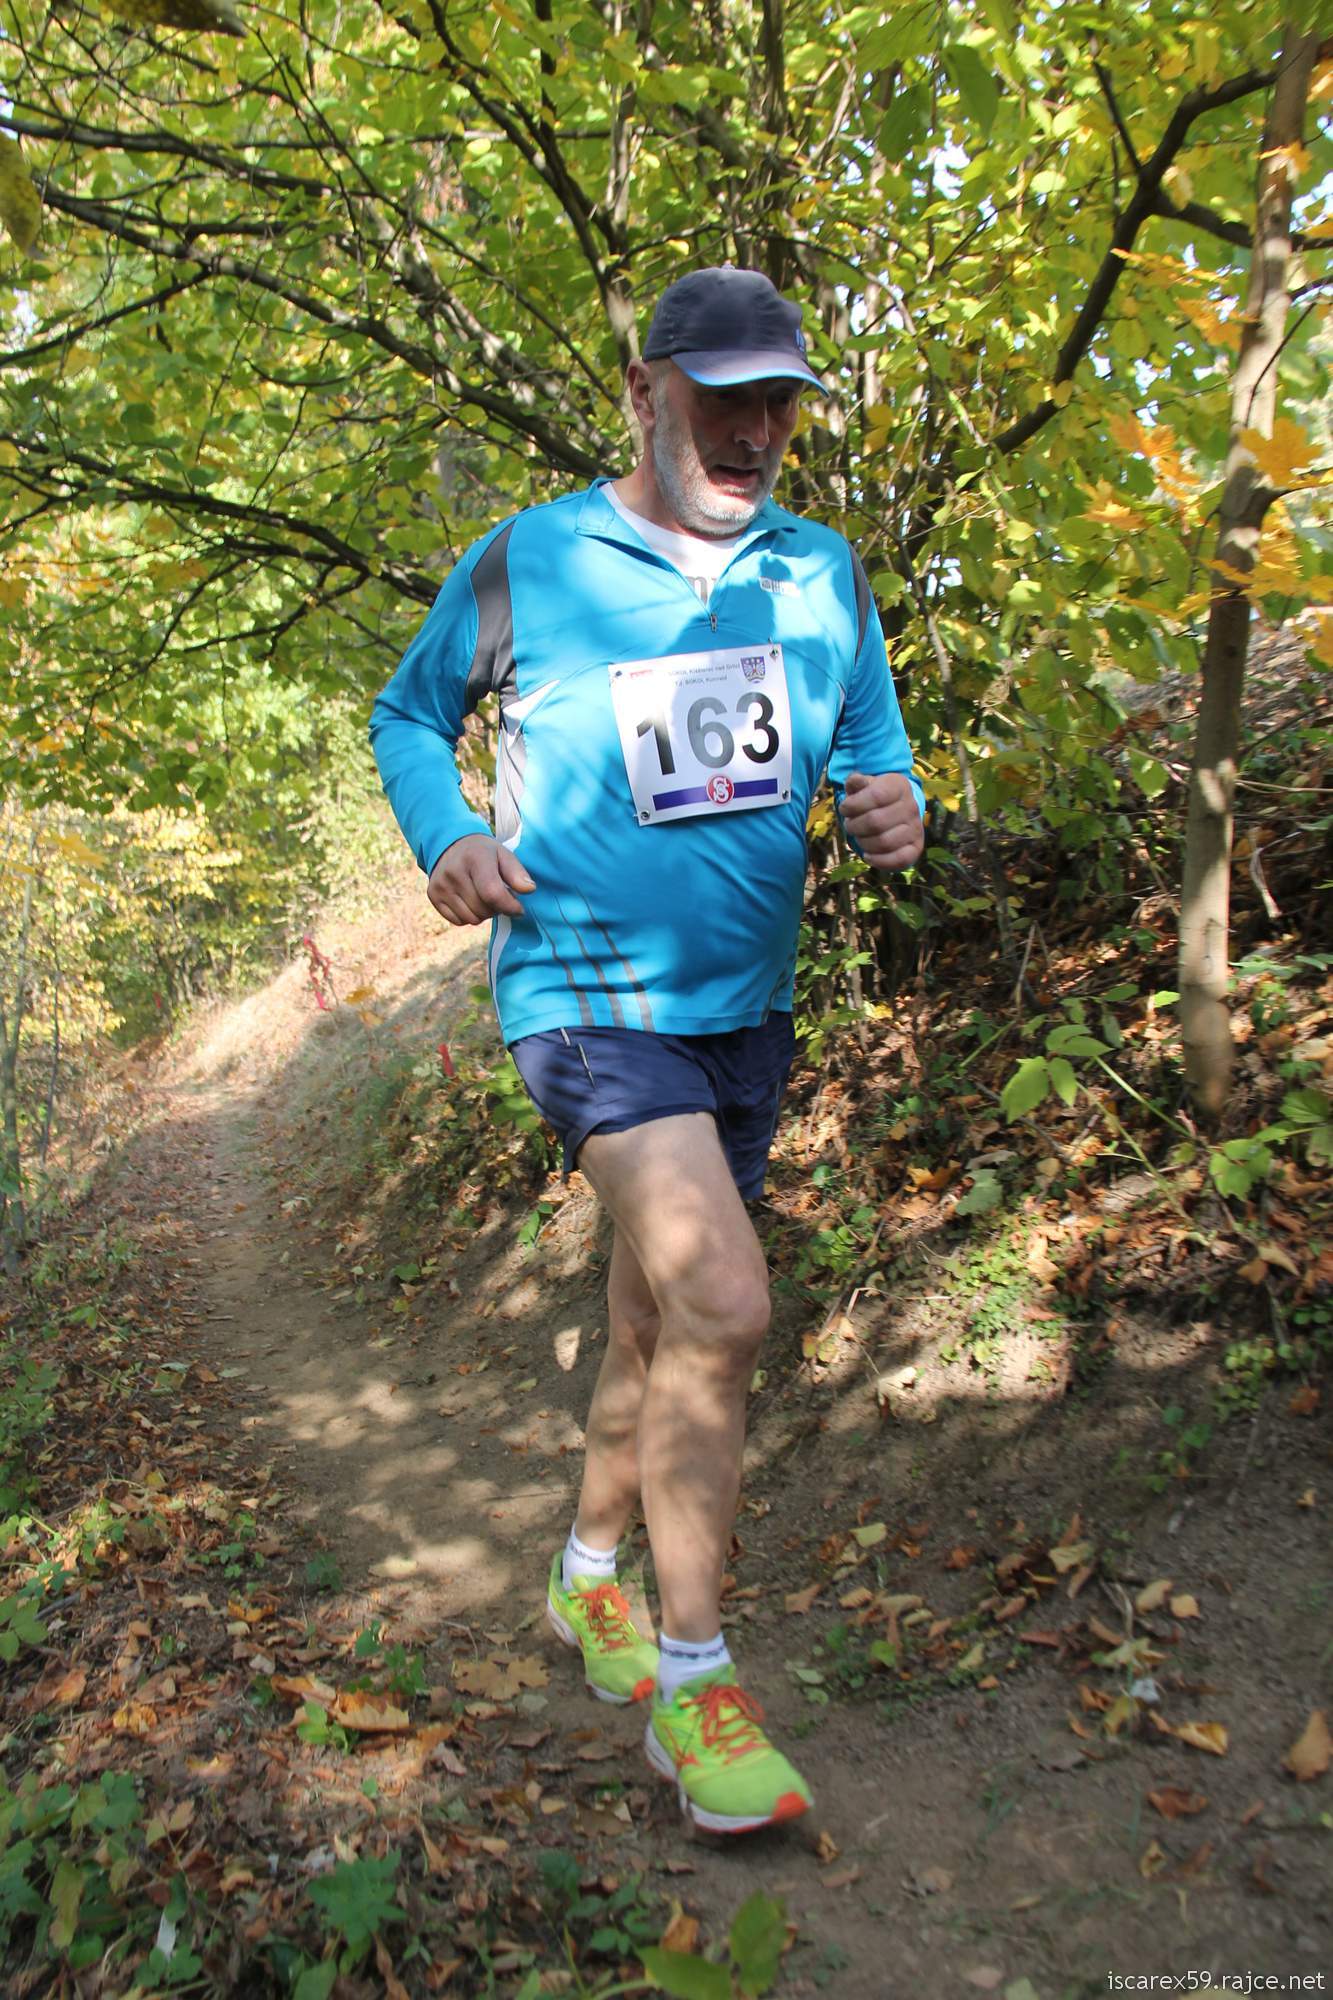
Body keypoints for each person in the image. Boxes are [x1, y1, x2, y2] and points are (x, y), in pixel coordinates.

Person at [371, 266, 924, 1835]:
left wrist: (896, 809)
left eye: (778, 403)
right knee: (725, 1303)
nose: (753, 430)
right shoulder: (532, 556)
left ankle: (587, 1571)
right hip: (582, 992)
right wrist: (446, 836)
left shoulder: (820, 573)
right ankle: (696, 1688)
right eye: (721, 398)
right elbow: (408, 716)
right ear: (643, 388)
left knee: (648, 1323)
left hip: (744, 1007)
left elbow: (873, 757)